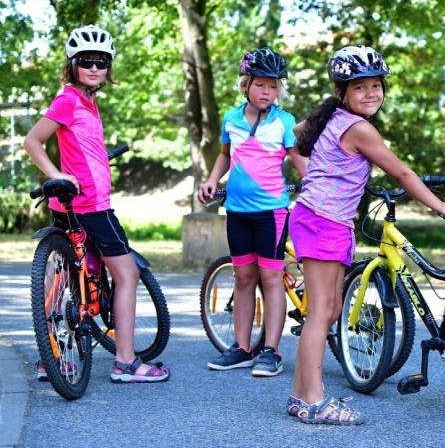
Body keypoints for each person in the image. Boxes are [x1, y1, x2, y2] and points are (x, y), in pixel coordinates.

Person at [288, 45, 445, 425]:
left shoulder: (329, 118)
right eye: (360, 88)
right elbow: (401, 173)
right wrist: (442, 208)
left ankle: (301, 395)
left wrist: (319, 174)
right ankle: (314, 401)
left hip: (325, 220)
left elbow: (298, 132)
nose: (371, 94)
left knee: (331, 310)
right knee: (321, 313)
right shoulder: (359, 128)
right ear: (342, 92)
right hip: (322, 220)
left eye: (377, 86)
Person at [24, 25, 169, 383]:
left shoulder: (87, 102)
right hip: (90, 205)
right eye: (86, 61)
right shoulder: (70, 99)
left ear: (108, 67)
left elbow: (80, 148)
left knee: (69, 275)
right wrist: (57, 173)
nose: (94, 67)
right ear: (72, 64)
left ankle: (51, 355)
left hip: (72, 205)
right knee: (127, 273)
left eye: (101, 62)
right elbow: (32, 142)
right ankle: (125, 361)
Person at [198, 48, 306, 377]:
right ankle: (242, 348)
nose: (267, 92)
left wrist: (318, 186)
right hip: (237, 212)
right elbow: (225, 156)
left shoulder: (284, 122)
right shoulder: (231, 119)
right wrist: (212, 179)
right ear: (246, 85)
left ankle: (271, 351)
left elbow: (301, 163)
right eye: (261, 85)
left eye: (273, 87)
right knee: (244, 278)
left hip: (271, 213)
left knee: (271, 279)